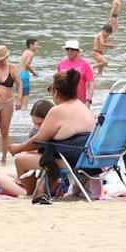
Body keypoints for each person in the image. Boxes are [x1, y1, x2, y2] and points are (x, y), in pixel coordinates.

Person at [27, 69, 96, 204]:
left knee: (23, 159)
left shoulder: (57, 110)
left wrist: (17, 148)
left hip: (73, 160)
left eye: (50, 89)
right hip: (94, 158)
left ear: (56, 92)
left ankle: (31, 192)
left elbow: (38, 139)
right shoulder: (83, 108)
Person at [0, 99, 54, 197]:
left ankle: (26, 194)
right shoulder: (35, 131)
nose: (37, 127)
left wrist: (20, 149)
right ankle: (20, 185)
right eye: (34, 123)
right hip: (36, 173)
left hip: (43, 176)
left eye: (40, 123)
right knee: (3, 175)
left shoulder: (52, 131)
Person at [56, 39, 95, 105]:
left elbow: (91, 83)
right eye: (67, 49)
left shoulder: (85, 64)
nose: (69, 51)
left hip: (80, 101)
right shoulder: (61, 64)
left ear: (77, 51)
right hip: (64, 100)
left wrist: (88, 100)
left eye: (72, 49)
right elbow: (57, 84)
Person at [17, 37, 40, 110]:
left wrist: (32, 69)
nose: (37, 46)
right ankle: (24, 112)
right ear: (31, 45)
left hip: (19, 73)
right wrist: (34, 73)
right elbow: (26, 65)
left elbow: (23, 64)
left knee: (20, 94)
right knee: (26, 95)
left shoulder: (25, 52)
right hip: (24, 74)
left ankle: (19, 111)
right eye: (36, 45)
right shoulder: (31, 53)